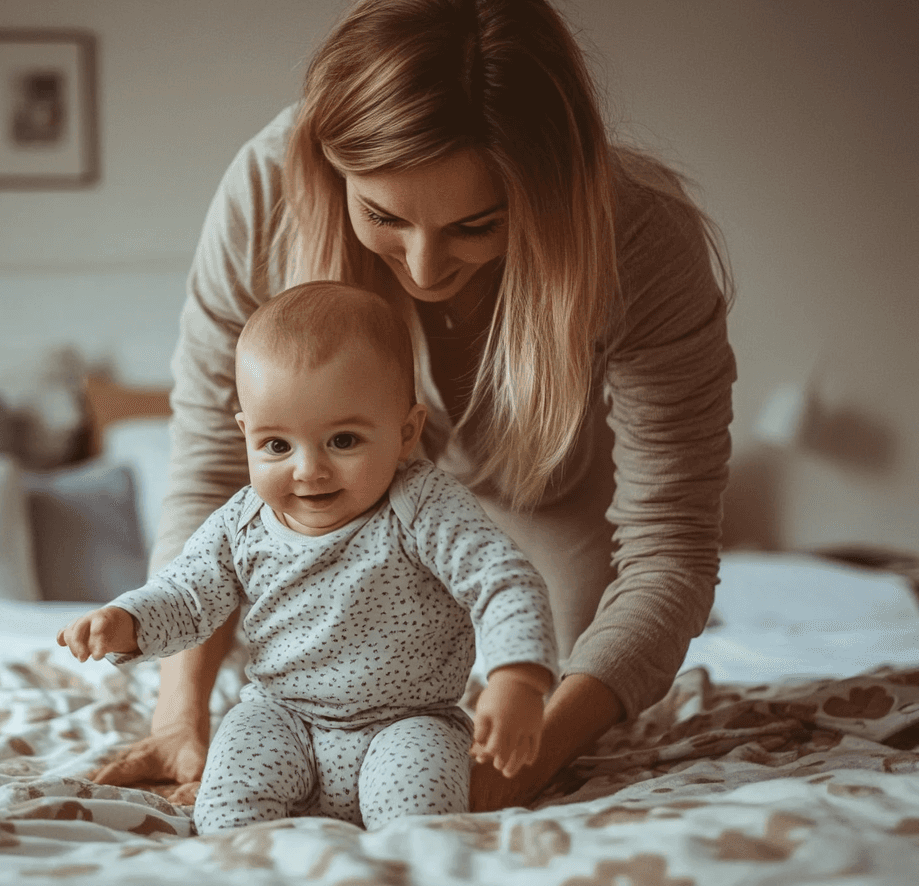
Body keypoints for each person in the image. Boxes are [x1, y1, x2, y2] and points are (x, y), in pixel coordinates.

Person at [93, 0, 736, 812]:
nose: (426, 267)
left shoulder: (643, 239)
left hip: (556, 500)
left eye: (478, 225)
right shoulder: (265, 193)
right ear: (336, 173)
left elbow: (669, 550)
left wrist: (529, 761)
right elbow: (215, 482)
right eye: (383, 217)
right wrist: (179, 715)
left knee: (562, 659)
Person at [59, 282, 557, 832]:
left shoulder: (424, 507)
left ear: (406, 431)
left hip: (408, 721)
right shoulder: (241, 522)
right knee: (223, 808)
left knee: (420, 818)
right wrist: (127, 620)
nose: (308, 470)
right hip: (281, 716)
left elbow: (501, 580)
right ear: (246, 435)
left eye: (343, 440)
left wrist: (519, 677)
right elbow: (187, 593)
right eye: (277, 445)